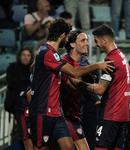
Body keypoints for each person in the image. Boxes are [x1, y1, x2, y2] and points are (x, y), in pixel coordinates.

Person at [29, 17, 114, 150]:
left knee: (68, 147)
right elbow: (74, 73)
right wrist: (98, 65)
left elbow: (72, 86)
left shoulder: (47, 52)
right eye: (68, 36)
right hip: (44, 110)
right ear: (62, 35)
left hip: (57, 112)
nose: (68, 40)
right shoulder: (49, 53)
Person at [69, 24, 130, 150]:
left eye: (96, 41)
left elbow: (99, 89)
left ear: (104, 40)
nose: (95, 45)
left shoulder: (109, 61)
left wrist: (79, 84)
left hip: (111, 114)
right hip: (122, 115)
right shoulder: (121, 56)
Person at [61, 29, 97, 150]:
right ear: (72, 44)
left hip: (76, 112)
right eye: (83, 40)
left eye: (87, 40)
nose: (87, 43)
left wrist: (96, 97)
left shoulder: (84, 62)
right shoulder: (62, 64)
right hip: (63, 114)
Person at [5, 46, 34, 115]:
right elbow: (12, 83)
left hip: (30, 102)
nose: (25, 57)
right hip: (14, 101)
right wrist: (27, 82)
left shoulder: (34, 69)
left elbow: (34, 83)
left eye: (28, 55)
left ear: (31, 57)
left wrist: (20, 80)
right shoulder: (12, 68)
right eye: (23, 55)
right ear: (19, 56)